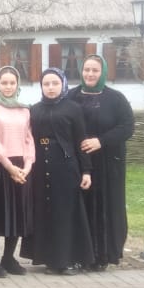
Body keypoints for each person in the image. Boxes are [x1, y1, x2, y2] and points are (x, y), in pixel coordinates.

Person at [66, 55, 135, 271]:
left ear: (103, 72)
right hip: (78, 162)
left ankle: (103, 255)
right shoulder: (71, 96)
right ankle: (80, 255)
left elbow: (127, 127)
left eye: (95, 70)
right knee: (81, 207)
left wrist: (101, 141)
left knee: (106, 207)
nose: (90, 74)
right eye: (86, 69)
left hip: (107, 163)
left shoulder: (116, 99)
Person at [24, 68, 94, 275]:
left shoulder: (73, 109)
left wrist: (86, 171)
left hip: (65, 166)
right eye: (46, 84)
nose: (51, 88)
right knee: (45, 212)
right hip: (40, 166)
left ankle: (68, 259)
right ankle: (49, 259)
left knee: (65, 213)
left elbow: (81, 140)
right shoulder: (35, 110)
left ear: (62, 84)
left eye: (55, 83)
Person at [0, 66, 34, 276]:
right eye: (4, 83)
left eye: (12, 83)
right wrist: (9, 166)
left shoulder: (24, 110)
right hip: (0, 165)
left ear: (17, 85)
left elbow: (29, 139)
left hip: (21, 168)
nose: (8, 87)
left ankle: (8, 257)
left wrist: (27, 166)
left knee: (17, 214)